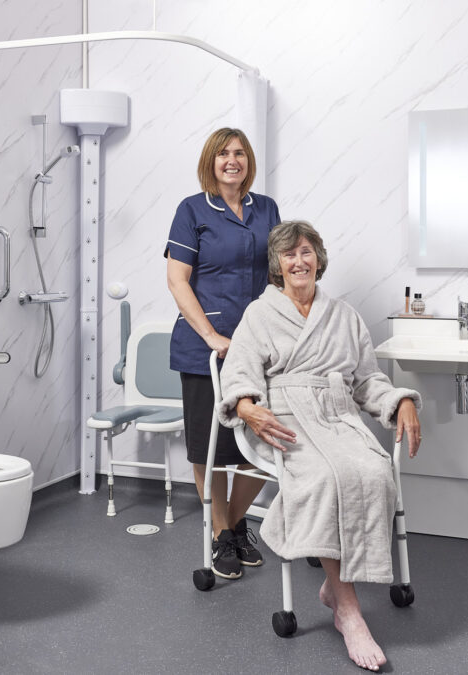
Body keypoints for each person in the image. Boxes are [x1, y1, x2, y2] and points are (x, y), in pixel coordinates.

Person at [217, 220, 423, 672]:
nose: (298, 261)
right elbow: (239, 374)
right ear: (278, 264)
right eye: (289, 255)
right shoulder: (259, 314)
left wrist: (401, 400)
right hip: (283, 419)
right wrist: (248, 408)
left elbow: (368, 380)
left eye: (306, 252)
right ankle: (348, 611)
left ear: (318, 259)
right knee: (323, 478)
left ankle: (333, 586)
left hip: (337, 414)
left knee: (372, 472)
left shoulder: (343, 315)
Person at [164, 128, 282, 580]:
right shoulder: (192, 210)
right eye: (223, 154)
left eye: (239, 153)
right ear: (210, 162)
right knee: (209, 449)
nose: (232, 160)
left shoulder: (266, 208)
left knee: (264, 438)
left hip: (256, 344)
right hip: (204, 348)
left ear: (248, 161)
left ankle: (232, 526)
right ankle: (219, 535)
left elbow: (278, 272)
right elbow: (177, 281)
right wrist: (211, 334)